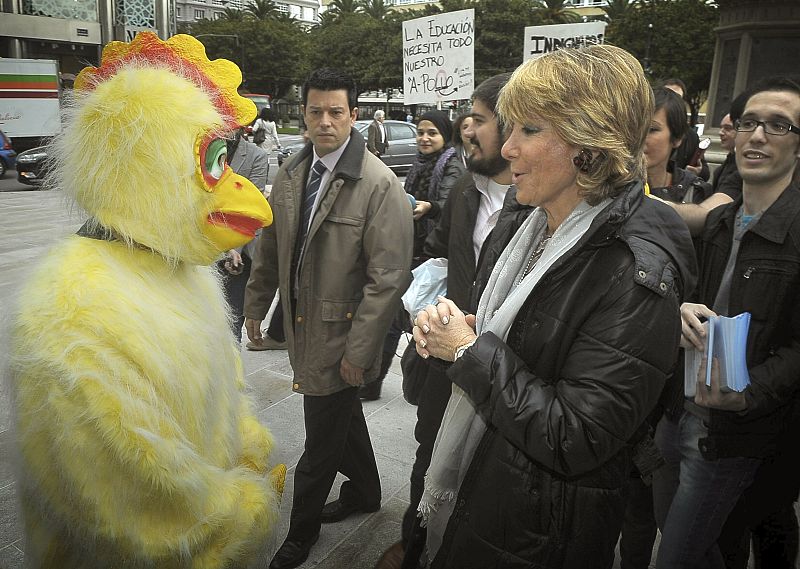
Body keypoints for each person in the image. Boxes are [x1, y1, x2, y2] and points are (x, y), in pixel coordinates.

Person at [411, 44, 696, 568]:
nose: (508, 148)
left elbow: (578, 435)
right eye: (510, 128)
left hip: (540, 532)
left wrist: (470, 352)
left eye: (530, 130)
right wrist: (451, 334)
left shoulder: (636, 269)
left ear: (590, 142)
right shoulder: (523, 220)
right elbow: (515, 344)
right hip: (485, 488)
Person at [243, 68, 413, 569]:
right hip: (302, 326)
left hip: (343, 335)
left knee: (319, 444)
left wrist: (360, 353)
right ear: (303, 114)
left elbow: (387, 279)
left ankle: (301, 532)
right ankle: (366, 492)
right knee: (340, 416)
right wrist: (255, 307)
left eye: (336, 112)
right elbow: (269, 250)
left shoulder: (379, 184)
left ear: (353, 115)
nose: (325, 122)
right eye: (315, 111)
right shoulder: (291, 173)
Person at [654, 75, 800, 569]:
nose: (757, 136)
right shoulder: (718, 224)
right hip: (675, 417)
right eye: (749, 122)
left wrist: (747, 393)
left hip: (731, 435)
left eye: (778, 125)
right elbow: (683, 295)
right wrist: (677, 311)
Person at [358, 110, 466, 402]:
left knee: (402, 320)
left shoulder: (452, 165)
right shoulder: (420, 164)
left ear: (445, 136)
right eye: (420, 132)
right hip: (412, 250)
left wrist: (429, 207)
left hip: (433, 258)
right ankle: (379, 382)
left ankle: (403, 383)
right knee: (397, 319)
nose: (424, 138)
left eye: (432, 133)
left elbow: (448, 205)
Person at [218, 128, 269, 342]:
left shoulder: (256, 156)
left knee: (232, 322)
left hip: (240, 250)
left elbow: (250, 209)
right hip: (206, 247)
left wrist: (232, 249)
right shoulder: (201, 150)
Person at [646, 88, 713, 205]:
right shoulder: (612, 187)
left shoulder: (694, 193)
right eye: (634, 127)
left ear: (677, 138)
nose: (639, 136)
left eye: (651, 129)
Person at [663, 78, 711, 181]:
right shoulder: (642, 128)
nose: (672, 103)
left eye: (677, 99)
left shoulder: (691, 136)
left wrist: (698, 170)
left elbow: (705, 172)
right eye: (667, 96)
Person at [252, 107, 282, 178]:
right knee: (267, 157)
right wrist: (278, 144)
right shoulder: (272, 123)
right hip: (269, 141)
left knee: (260, 156)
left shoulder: (259, 121)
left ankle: (260, 172)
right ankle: (266, 171)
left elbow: (254, 129)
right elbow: (275, 135)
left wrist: (257, 134)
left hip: (261, 141)